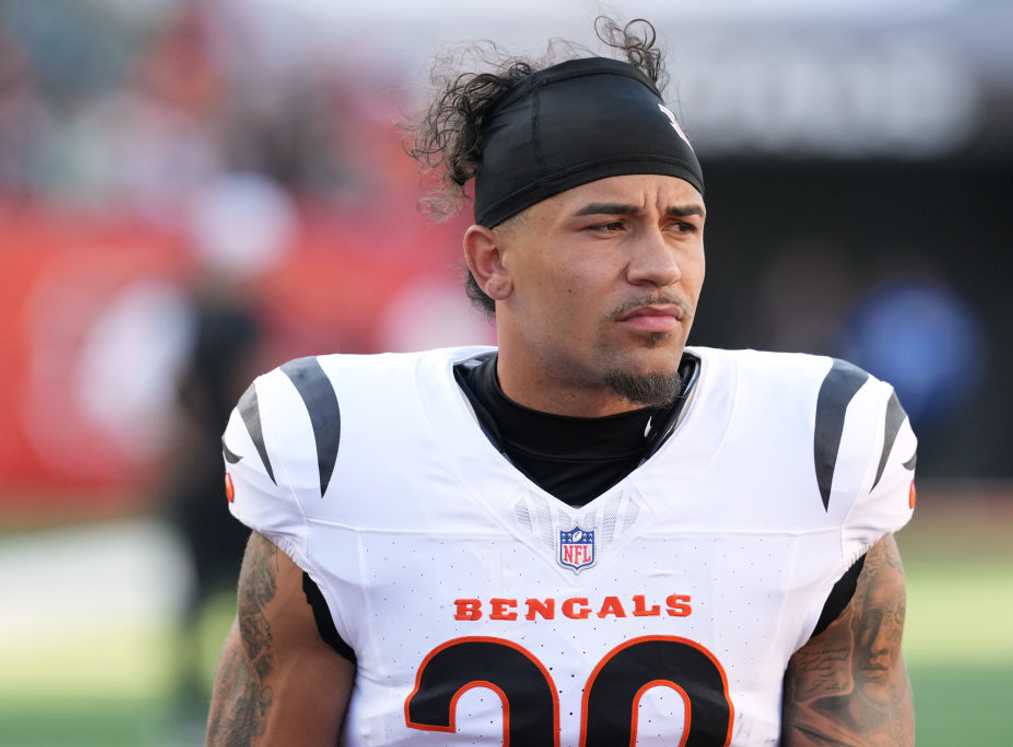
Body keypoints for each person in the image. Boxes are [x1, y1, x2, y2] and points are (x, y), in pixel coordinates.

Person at [206, 18, 917, 746]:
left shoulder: (817, 452)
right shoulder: (341, 455)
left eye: (682, 224)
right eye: (606, 226)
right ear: (491, 263)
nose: (659, 266)